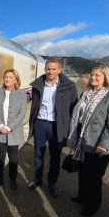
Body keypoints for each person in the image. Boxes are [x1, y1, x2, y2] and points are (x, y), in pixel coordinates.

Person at [68, 65, 109, 217]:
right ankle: (82, 196)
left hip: (98, 143)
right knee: (83, 171)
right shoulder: (86, 93)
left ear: (106, 77)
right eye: (92, 75)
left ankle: (92, 205)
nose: (93, 78)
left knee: (93, 176)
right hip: (82, 139)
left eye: (97, 76)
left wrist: (105, 144)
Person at [27, 57, 78, 197]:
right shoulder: (38, 85)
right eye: (48, 69)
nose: (50, 71)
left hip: (57, 126)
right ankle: (38, 179)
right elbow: (35, 106)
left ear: (59, 70)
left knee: (55, 156)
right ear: (45, 69)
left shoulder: (69, 86)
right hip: (41, 124)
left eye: (54, 69)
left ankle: (52, 182)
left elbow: (74, 108)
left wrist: (71, 128)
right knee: (38, 154)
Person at [0, 69, 27, 190]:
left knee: (13, 156)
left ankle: (13, 179)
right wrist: (0, 126)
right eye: (6, 77)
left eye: (11, 77)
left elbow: (22, 113)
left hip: (13, 130)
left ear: (16, 79)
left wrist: (9, 127)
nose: (7, 79)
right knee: (0, 155)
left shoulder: (21, 93)